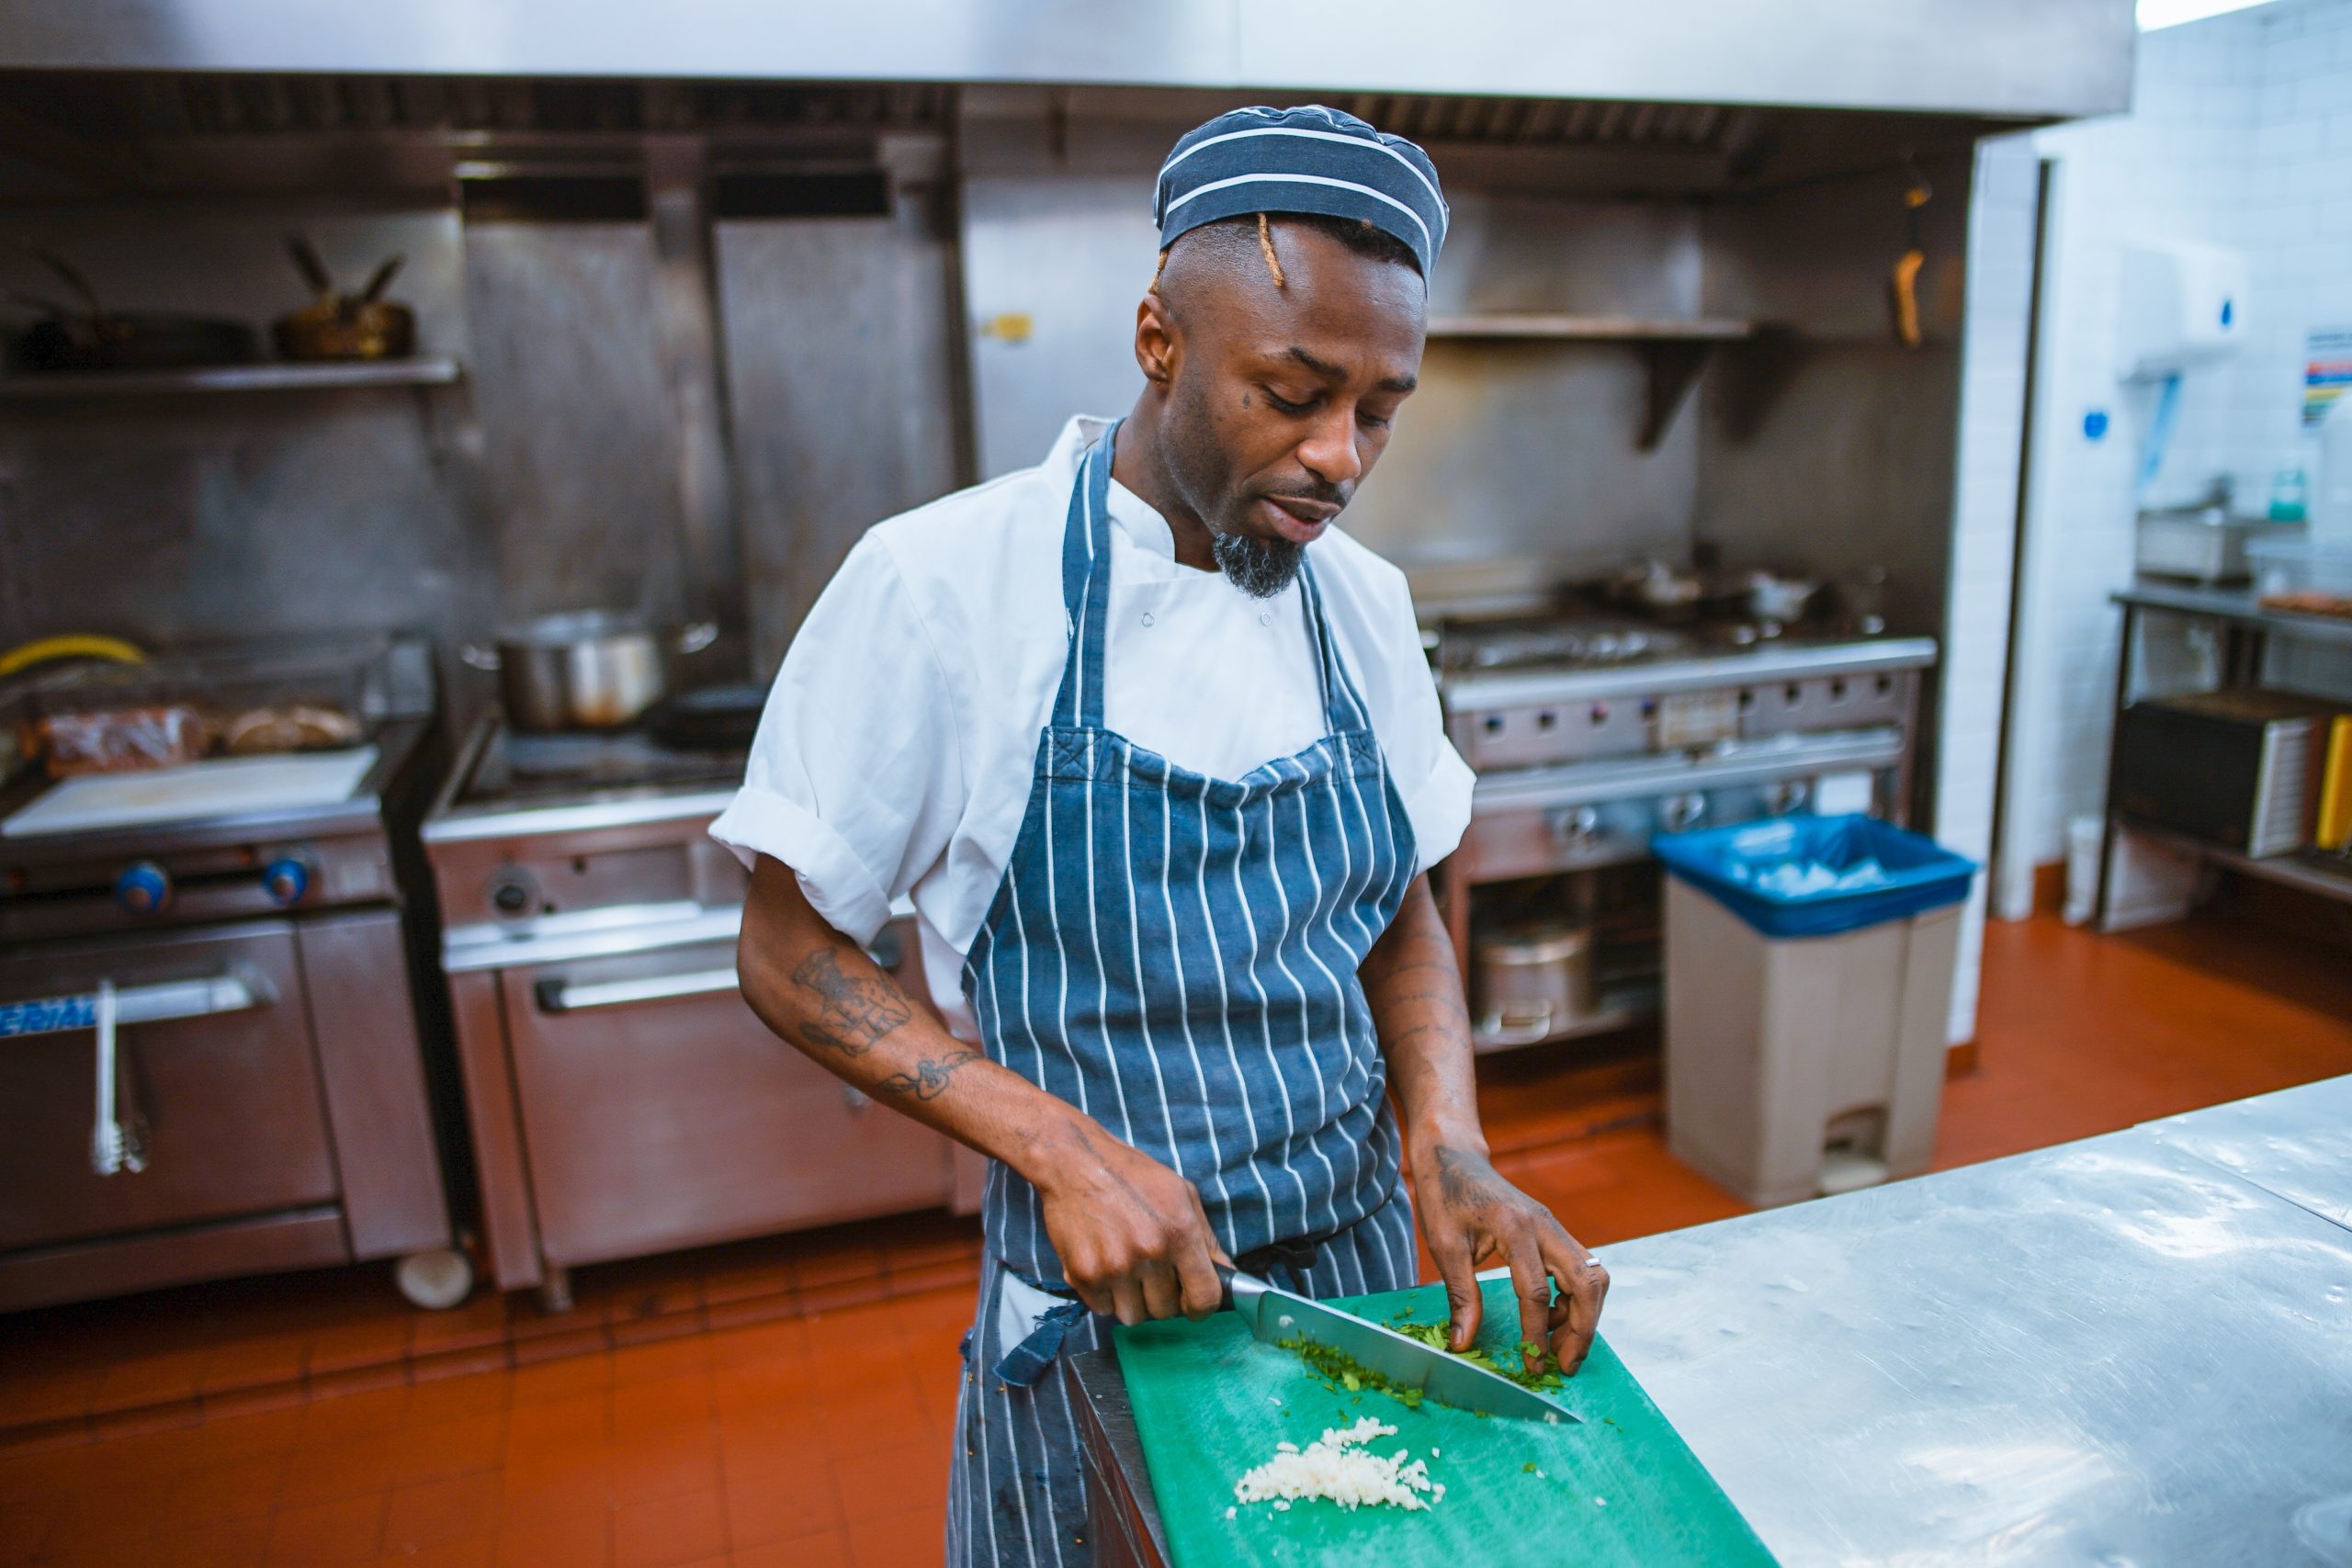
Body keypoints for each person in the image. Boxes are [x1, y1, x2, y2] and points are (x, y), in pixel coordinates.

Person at [715, 103, 1609, 1566]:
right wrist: (1058, 1150)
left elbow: (1395, 911)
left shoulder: (1362, 605)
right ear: (1158, 340)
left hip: (1366, 1298)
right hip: (1101, 1324)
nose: (1339, 457)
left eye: (1380, 409)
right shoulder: (944, 587)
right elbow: (787, 950)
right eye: (1292, 392)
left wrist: (1447, 1138)